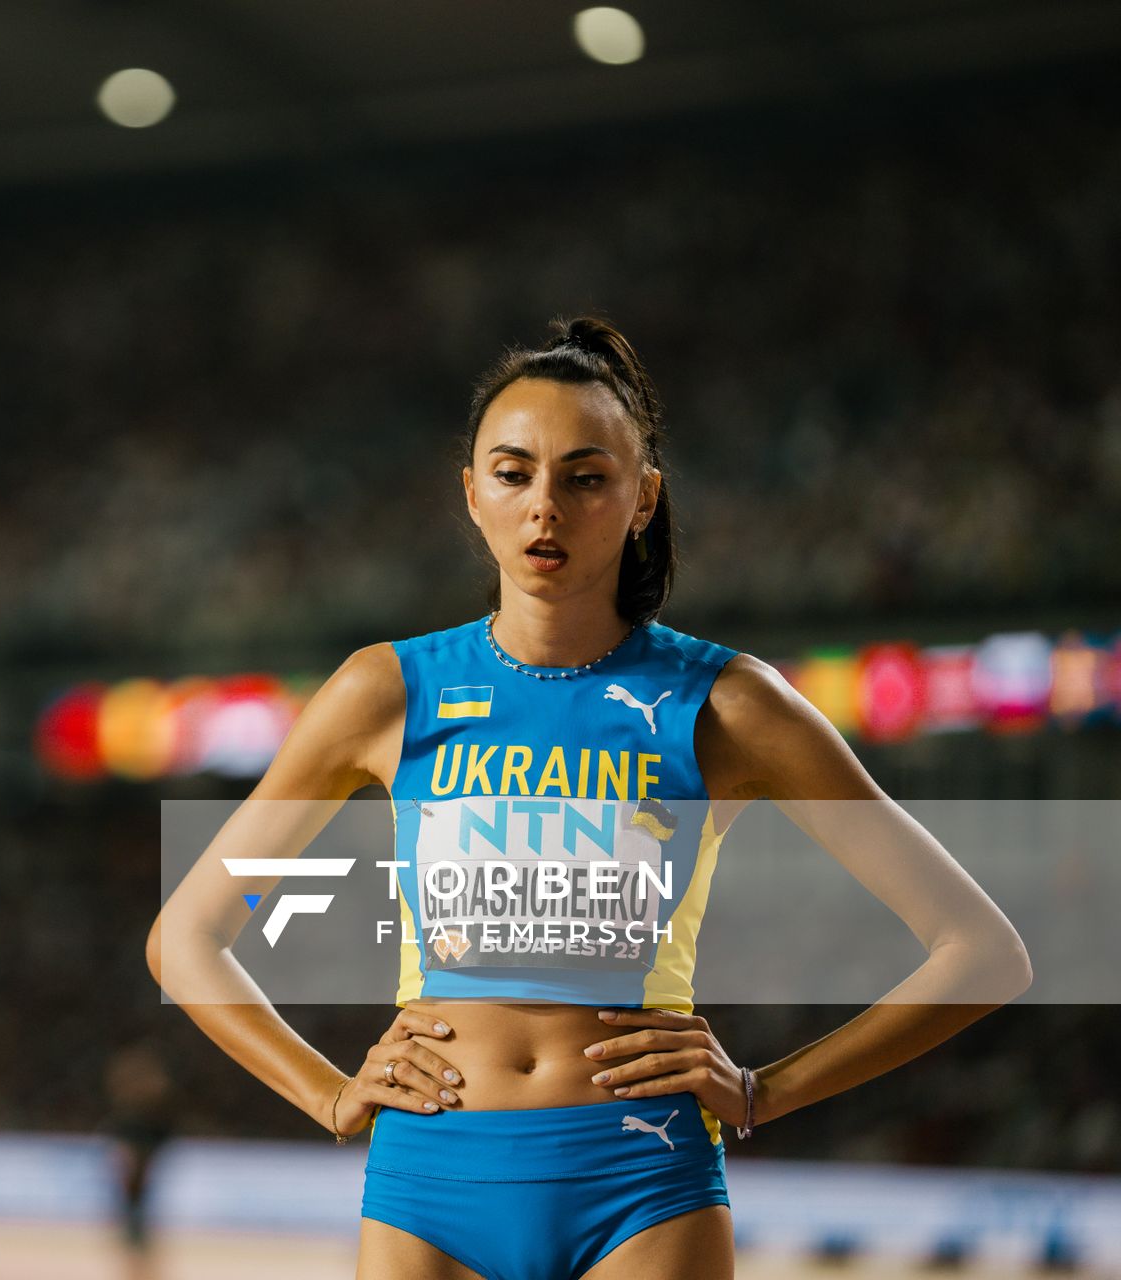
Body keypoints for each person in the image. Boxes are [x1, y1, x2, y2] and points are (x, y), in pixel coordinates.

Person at [147, 315, 1032, 1280]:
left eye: (585, 476)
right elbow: (186, 935)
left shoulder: (728, 707)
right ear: (472, 494)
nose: (545, 509)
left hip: (643, 1188)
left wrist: (763, 1091)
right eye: (514, 472)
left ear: (643, 498)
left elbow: (983, 951)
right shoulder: (384, 691)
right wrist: (324, 1095)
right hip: (428, 1185)